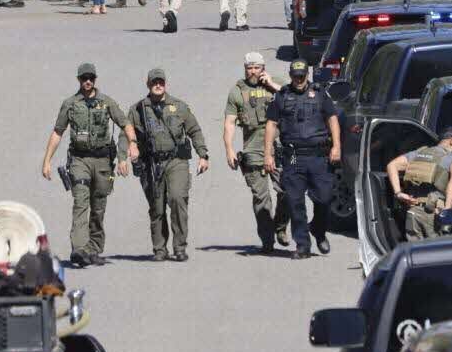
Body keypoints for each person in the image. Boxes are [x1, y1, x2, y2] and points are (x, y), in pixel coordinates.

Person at [41, 63, 138, 267]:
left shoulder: (106, 102)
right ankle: (78, 248)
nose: (87, 81)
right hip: (80, 160)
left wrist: (133, 145)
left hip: (102, 161)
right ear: (79, 80)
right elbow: (58, 132)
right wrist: (47, 161)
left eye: (91, 78)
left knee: (98, 206)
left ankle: (93, 249)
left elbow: (125, 123)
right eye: (84, 78)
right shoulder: (70, 104)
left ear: (95, 79)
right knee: (80, 201)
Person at [123, 69, 210, 262]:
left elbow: (194, 130)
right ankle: (159, 249)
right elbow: (126, 132)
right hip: (151, 163)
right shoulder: (138, 109)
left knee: (178, 199)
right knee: (157, 207)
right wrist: (129, 149)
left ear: (165, 83)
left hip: (176, 160)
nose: (158, 85)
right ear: (148, 84)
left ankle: (179, 247)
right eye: (154, 82)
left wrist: (203, 155)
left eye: (161, 81)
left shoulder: (178, 106)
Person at [263, 60, 341, 259]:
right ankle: (303, 245)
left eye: (302, 76)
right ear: (290, 75)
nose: (298, 79)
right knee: (294, 201)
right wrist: (268, 154)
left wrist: (336, 146)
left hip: (318, 155)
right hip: (294, 156)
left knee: (324, 198)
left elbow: (332, 118)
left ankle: (318, 229)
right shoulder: (281, 96)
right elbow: (271, 125)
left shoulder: (320, 93)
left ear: (307, 75)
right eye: (295, 76)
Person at [223, 52, 291, 254]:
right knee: (261, 198)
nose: (253, 71)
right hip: (253, 149)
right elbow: (229, 122)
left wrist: (273, 86)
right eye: (249, 68)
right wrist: (229, 148)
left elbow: (297, 99)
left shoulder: (279, 84)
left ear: (263, 67)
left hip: (279, 146)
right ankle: (267, 239)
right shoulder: (237, 91)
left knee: (287, 191)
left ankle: (280, 226)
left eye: (256, 67)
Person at [385, 128, 452, 241]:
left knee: (415, 251)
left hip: (413, 210)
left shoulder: (419, 153)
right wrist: (447, 210)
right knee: (434, 253)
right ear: (451, 141)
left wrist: (398, 193)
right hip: (434, 213)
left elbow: (391, 165)